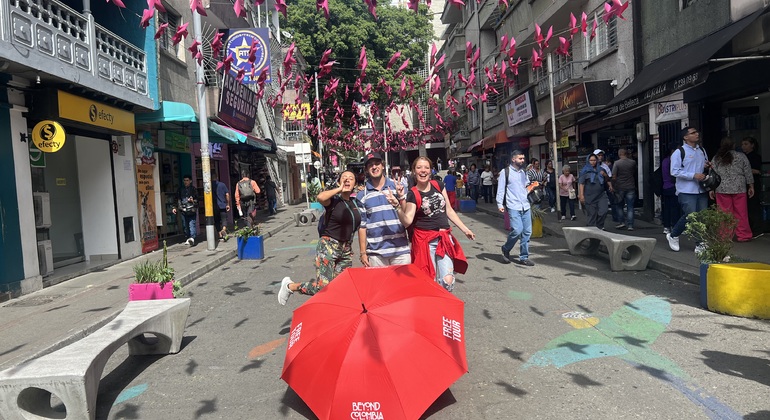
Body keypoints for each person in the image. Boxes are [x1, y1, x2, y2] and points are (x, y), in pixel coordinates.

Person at [388, 157, 475, 292]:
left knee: (448, 281)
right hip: (425, 241)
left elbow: (449, 210)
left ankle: (442, 306)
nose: (423, 171)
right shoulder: (412, 193)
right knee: (428, 282)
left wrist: (465, 229)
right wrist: (397, 206)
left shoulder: (438, 185)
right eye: (419, 168)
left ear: (431, 170)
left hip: (444, 239)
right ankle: (435, 311)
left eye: (426, 168)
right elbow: (407, 221)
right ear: (414, 171)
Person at [278, 170, 362, 305]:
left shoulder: (355, 203)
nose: (347, 180)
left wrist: (363, 252)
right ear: (339, 181)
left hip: (345, 250)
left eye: (351, 178)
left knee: (342, 287)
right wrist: (339, 189)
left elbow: (360, 227)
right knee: (324, 287)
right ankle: (290, 286)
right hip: (328, 247)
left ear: (355, 184)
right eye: (344, 178)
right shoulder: (333, 201)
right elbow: (320, 197)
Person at [357, 152, 411, 267]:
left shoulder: (397, 187)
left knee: (402, 285)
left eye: (377, 163)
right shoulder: (362, 195)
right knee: (379, 285)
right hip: (376, 253)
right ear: (366, 170)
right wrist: (362, 253)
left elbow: (406, 216)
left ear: (382, 165)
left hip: (400, 250)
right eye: (370, 165)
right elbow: (362, 226)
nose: (374, 167)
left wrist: (401, 197)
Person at [666, 126, 710, 253]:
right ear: (685, 137)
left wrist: (706, 165)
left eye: (697, 132)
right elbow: (674, 171)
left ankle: (699, 242)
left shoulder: (701, 150)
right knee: (691, 216)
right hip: (686, 190)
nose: (697, 134)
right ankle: (678, 236)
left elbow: (704, 164)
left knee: (701, 216)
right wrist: (693, 175)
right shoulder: (679, 152)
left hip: (701, 188)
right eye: (693, 133)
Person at [711, 137, 754, 242]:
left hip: (722, 188)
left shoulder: (716, 158)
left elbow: (712, 174)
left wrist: (711, 189)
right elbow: (747, 171)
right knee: (741, 213)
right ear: (734, 145)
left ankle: (724, 235)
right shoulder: (741, 156)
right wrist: (751, 185)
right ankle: (743, 235)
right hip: (739, 188)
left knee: (724, 213)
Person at [497, 150, 535, 266]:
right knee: (517, 230)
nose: (522, 160)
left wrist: (533, 186)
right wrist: (499, 204)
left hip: (525, 205)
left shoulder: (524, 172)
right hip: (513, 205)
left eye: (523, 158)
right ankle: (506, 248)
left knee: (527, 232)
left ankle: (524, 257)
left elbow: (526, 187)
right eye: (520, 159)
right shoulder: (505, 172)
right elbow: (501, 189)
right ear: (513, 159)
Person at [578, 154, 612, 230]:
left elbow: (607, 180)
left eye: (594, 160)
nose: (593, 162)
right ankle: (592, 234)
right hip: (589, 197)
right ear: (588, 161)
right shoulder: (584, 171)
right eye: (591, 160)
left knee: (603, 211)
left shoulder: (601, 169)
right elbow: (581, 183)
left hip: (601, 195)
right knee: (592, 215)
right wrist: (581, 195)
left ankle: (599, 226)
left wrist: (605, 175)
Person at [742, 136, 764, 238]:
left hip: (754, 183)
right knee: (747, 207)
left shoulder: (755, 157)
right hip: (744, 184)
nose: (743, 147)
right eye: (742, 144)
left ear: (752, 145)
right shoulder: (743, 156)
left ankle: (757, 229)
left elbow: (756, 170)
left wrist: (744, 170)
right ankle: (749, 228)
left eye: (746, 144)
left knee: (753, 206)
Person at [611, 148, 638, 231]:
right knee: (630, 206)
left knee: (619, 206)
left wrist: (613, 185)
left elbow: (614, 176)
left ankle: (622, 222)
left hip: (620, 187)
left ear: (619, 154)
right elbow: (634, 172)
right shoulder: (632, 162)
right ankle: (630, 225)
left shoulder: (617, 163)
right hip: (630, 186)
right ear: (626, 154)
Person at [171, 175, 198, 246]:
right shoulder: (180, 190)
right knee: (185, 225)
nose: (186, 182)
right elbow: (176, 198)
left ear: (190, 181)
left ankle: (192, 238)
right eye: (184, 180)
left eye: (187, 180)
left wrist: (193, 201)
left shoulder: (193, 189)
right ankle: (188, 237)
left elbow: (197, 199)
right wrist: (174, 207)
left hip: (191, 209)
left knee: (192, 224)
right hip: (183, 209)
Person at [660, 147, 681, 235]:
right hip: (673, 186)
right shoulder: (672, 161)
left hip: (665, 186)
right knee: (675, 208)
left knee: (667, 208)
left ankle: (666, 226)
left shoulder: (665, 160)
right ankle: (675, 226)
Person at [212, 174, 230, 241]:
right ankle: (224, 229)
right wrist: (228, 204)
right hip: (222, 205)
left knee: (216, 221)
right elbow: (227, 194)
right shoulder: (222, 184)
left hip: (214, 206)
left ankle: (220, 235)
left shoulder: (209, 186)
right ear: (217, 177)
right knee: (224, 219)